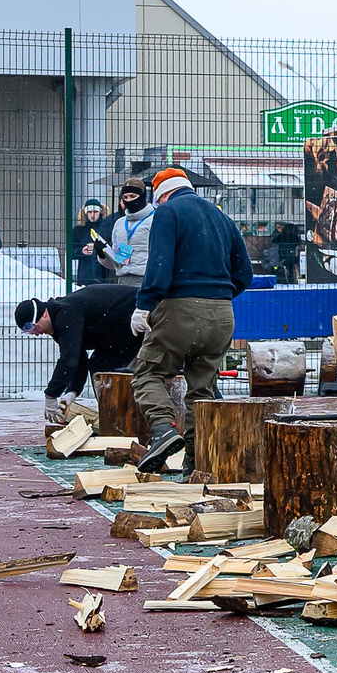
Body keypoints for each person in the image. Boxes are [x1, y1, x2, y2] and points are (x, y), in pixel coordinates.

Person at [129, 167, 252, 471]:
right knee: (202, 390)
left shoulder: (168, 213)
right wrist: (217, 295)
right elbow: (245, 274)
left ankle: (162, 430)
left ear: (161, 194)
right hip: (223, 315)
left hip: (180, 310)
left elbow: (159, 265)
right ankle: (196, 459)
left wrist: (144, 305)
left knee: (148, 373)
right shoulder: (221, 217)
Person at [17, 282, 141, 424]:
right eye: (29, 331)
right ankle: (112, 419)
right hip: (118, 331)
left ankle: (122, 419)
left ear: (44, 314)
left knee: (109, 372)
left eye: (33, 327)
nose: (36, 333)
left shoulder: (65, 313)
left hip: (136, 317)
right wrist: (72, 391)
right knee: (98, 368)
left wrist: (51, 395)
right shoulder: (58, 319)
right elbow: (79, 356)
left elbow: (69, 359)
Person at [106, 179, 153, 282]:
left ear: (143, 197)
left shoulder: (155, 220)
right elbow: (115, 259)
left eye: (133, 196)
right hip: (122, 279)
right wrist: (102, 254)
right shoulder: (120, 223)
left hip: (146, 279)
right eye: (125, 197)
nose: (129, 200)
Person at [72, 199, 114, 284]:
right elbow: (71, 253)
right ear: (85, 213)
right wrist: (82, 251)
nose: (93, 215)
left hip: (104, 273)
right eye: (90, 212)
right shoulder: (78, 230)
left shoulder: (108, 228)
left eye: (95, 212)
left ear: (100, 212)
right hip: (85, 275)